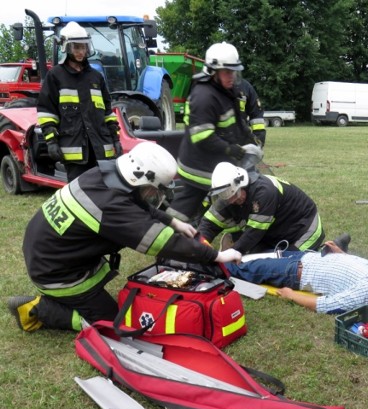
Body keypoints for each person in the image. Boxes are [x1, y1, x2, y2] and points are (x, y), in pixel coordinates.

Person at [7, 142, 241, 333]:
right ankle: (40, 308)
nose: (154, 194)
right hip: (56, 273)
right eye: (155, 188)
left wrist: (172, 221)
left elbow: (136, 202)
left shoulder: (103, 174)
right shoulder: (110, 206)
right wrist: (216, 255)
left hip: (53, 253)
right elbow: (163, 243)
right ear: (140, 178)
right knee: (111, 323)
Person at [166, 41, 266, 223]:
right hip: (199, 165)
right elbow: (202, 137)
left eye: (234, 71)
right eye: (227, 72)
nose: (231, 76)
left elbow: (237, 123)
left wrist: (251, 141)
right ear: (213, 71)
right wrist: (231, 149)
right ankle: (169, 234)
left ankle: (238, 228)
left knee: (235, 192)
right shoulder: (204, 96)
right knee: (188, 205)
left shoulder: (225, 91)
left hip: (215, 161)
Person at [225, 241, 368, 314]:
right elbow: (362, 265)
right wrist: (341, 254)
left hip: (295, 272)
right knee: (259, 256)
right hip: (310, 257)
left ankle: (211, 262)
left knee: (241, 270)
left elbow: (327, 305)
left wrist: (291, 296)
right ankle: (229, 257)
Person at [37, 22, 123, 182]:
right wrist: (51, 141)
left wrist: (116, 139)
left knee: (105, 192)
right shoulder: (55, 76)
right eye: (76, 47)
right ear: (66, 47)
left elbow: (107, 112)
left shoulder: (96, 77)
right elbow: (47, 112)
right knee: (79, 194)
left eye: (83, 47)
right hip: (74, 151)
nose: (81, 51)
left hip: (100, 149)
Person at [197, 162, 324, 254]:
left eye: (235, 195)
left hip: (303, 228)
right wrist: (198, 248)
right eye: (228, 199)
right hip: (274, 232)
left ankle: (331, 252)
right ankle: (236, 242)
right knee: (254, 258)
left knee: (288, 264)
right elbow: (208, 224)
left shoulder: (264, 192)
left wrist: (229, 255)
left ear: (242, 184)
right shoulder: (228, 196)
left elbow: (254, 233)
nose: (233, 201)